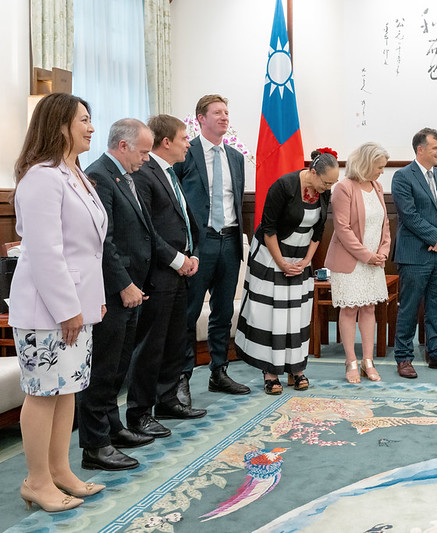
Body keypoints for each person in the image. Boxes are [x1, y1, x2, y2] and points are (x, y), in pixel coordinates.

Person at [9, 93, 107, 511]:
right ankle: (36, 480)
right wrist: (69, 307)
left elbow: (89, 248)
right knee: (44, 392)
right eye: (83, 120)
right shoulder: (41, 177)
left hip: (75, 306)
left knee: (67, 390)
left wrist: (92, 300)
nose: (90, 127)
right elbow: (46, 251)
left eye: (90, 119)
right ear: (59, 124)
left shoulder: (76, 174)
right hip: (46, 308)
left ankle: (60, 471)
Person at [78, 119, 156, 472]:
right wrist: (124, 284)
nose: (146, 159)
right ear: (123, 146)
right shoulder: (99, 176)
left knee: (119, 366)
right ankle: (95, 445)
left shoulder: (124, 175)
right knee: (104, 369)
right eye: (143, 152)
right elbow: (103, 241)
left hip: (131, 287)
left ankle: (112, 428)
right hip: (112, 289)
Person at [127, 114, 206, 440]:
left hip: (180, 272)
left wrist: (193, 254)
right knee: (150, 346)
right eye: (185, 137)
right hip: (158, 274)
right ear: (166, 142)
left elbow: (184, 222)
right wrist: (177, 260)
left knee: (175, 340)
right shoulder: (144, 174)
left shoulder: (170, 174)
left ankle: (168, 399)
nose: (189, 143)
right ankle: (140, 413)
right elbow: (145, 231)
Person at [235, 148, 338, 394]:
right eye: (325, 182)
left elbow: (319, 231)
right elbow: (268, 229)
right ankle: (270, 372)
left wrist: (306, 262)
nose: (328, 188)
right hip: (272, 257)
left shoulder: (324, 191)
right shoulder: (283, 186)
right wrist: (281, 263)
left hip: (300, 259)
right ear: (312, 172)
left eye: (332, 183)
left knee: (297, 315)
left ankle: (296, 368)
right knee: (272, 315)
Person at [173, 95, 250, 397]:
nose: (224, 117)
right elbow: (174, 199)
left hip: (230, 241)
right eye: (217, 112)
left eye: (227, 112)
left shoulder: (235, 157)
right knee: (189, 314)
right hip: (199, 243)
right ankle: (182, 377)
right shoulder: (185, 153)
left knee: (222, 312)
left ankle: (219, 371)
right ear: (201, 118)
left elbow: (237, 201)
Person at [391, 127, 437, 378]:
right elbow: (409, 216)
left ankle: (436, 354)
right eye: (435, 148)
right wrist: (436, 237)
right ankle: (403, 358)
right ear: (420, 149)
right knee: (409, 308)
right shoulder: (402, 177)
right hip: (414, 255)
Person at [324, 142, 391, 383]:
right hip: (350, 261)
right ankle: (351, 361)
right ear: (365, 164)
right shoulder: (344, 188)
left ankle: (368, 361)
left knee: (370, 308)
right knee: (349, 309)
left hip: (374, 262)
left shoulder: (377, 187)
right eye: (379, 167)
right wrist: (366, 255)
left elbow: (385, 224)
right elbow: (342, 229)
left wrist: (382, 251)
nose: (382, 171)